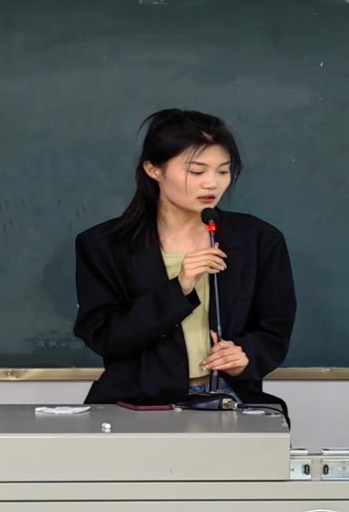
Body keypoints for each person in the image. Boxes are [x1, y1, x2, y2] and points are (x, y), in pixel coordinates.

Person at [73, 109, 297, 408]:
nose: (212, 183)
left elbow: (274, 328)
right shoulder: (105, 245)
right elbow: (106, 337)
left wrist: (246, 356)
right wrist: (179, 288)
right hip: (139, 402)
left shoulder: (257, 239)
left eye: (223, 171)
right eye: (197, 171)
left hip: (228, 397)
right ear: (154, 169)